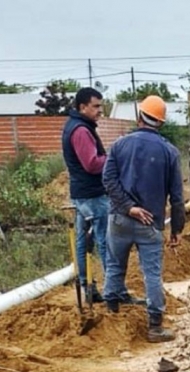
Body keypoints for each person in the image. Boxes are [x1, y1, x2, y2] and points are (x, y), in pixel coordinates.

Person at [101, 95, 186, 343]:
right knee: (151, 274)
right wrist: (177, 229)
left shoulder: (118, 145)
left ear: (139, 117)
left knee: (115, 265)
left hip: (119, 219)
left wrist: (128, 208)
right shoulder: (169, 152)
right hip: (150, 224)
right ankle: (155, 327)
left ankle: (111, 316)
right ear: (160, 122)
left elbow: (108, 181)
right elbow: (177, 197)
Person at [61, 87, 109, 303]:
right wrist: (112, 159)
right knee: (105, 240)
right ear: (82, 107)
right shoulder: (81, 130)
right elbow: (91, 164)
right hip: (92, 195)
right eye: (96, 106)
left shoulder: (76, 126)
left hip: (82, 194)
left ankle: (87, 287)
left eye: (101, 105)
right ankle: (114, 291)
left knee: (82, 242)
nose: (100, 110)